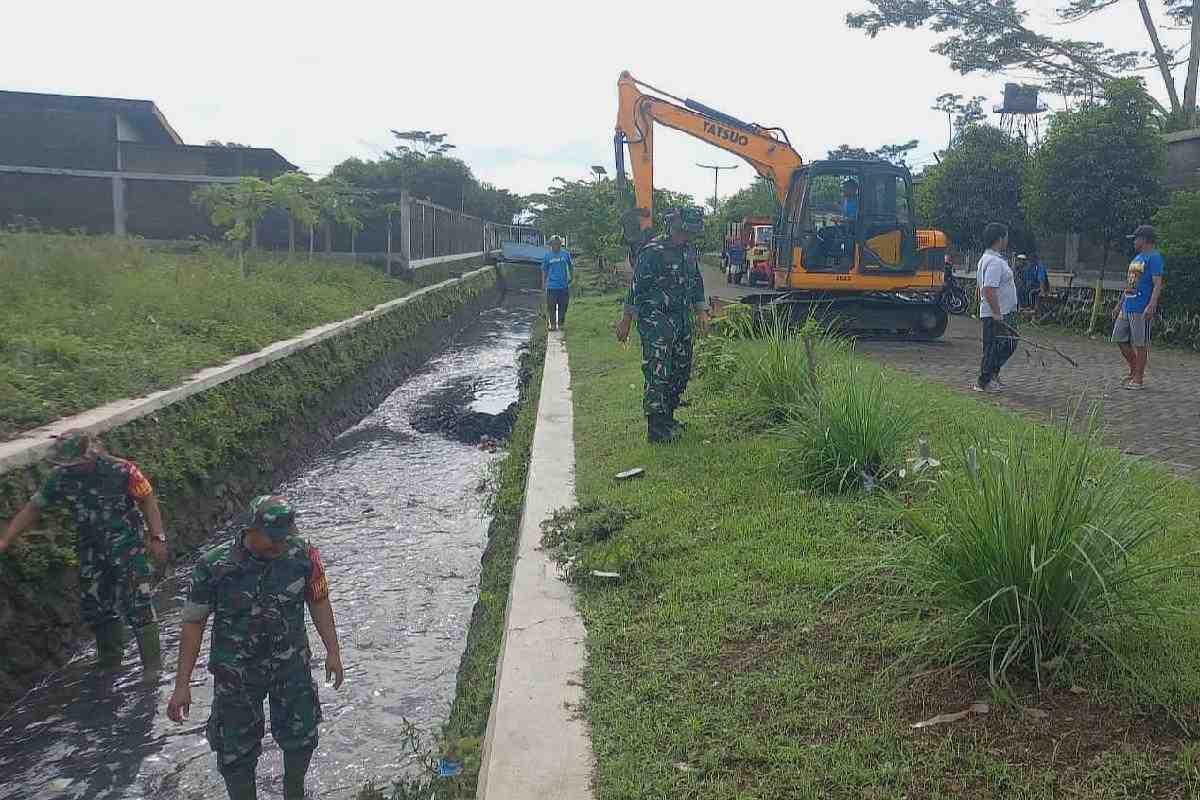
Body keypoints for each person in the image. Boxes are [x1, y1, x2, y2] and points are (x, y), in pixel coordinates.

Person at [167, 495, 344, 800]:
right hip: (236, 675)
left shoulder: (302, 554)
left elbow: (318, 600)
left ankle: (294, 793)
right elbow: (193, 623)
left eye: (284, 538)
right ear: (251, 530)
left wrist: (333, 652)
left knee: (301, 737)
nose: (279, 546)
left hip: (290, 667)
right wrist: (182, 684)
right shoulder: (214, 566)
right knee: (234, 749)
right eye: (272, 539)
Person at [1, 430, 167, 677]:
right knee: (97, 605)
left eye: (75, 464)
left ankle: (153, 669)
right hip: (91, 551)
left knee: (139, 604)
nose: (71, 468)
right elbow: (34, 508)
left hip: (128, 549)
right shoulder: (60, 477)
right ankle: (111, 661)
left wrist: (157, 537)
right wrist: (6, 540)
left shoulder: (123, 470)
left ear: (90, 456)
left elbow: (148, 500)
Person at [615, 206, 710, 442]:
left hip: (681, 320)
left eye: (690, 233)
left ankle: (668, 417)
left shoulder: (688, 250)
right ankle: (656, 428)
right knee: (658, 372)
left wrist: (702, 313)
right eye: (683, 232)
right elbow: (636, 289)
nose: (686, 237)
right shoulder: (653, 251)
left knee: (681, 369)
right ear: (673, 226)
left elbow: (695, 282)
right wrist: (626, 321)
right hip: (655, 320)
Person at [1113, 224, 1165, 390]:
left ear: (1144, 239)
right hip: (1127, 306)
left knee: (1140, 343)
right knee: (1119, 338)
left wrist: (1152, 304)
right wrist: (1119, 304)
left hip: (1141, 307)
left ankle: (1138, 379)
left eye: (1136, 239)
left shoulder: (1154, 257)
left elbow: (1158, 283)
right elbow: (1129, 284)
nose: (1134, 242)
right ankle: (1134, 369)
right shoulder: (1136, 259)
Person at [974, 222, 1019, 393]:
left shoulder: (992, 259)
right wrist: (996, 312)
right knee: (994, 347)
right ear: (1000, 239)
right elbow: (988, 288)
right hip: (996, 313)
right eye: (1006, 236)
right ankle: (983, 381)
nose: (1007, 240)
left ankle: (992, 374)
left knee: (1008, 342)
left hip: (1002, 311)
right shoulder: (993, 261)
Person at [541, 235, 572, 331]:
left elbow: (570, 266)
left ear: (560, 244)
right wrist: (543, 283)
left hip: (563, 286)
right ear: (551, 245)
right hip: (551, 286)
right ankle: (553, 324)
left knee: (563, 306)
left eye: (558, 244)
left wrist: (571, 276)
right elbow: (544, 270)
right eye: (554, 244)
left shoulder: (565, 254)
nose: (556, 246)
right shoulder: (547, 256)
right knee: (551, 306)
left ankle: (561, 323)